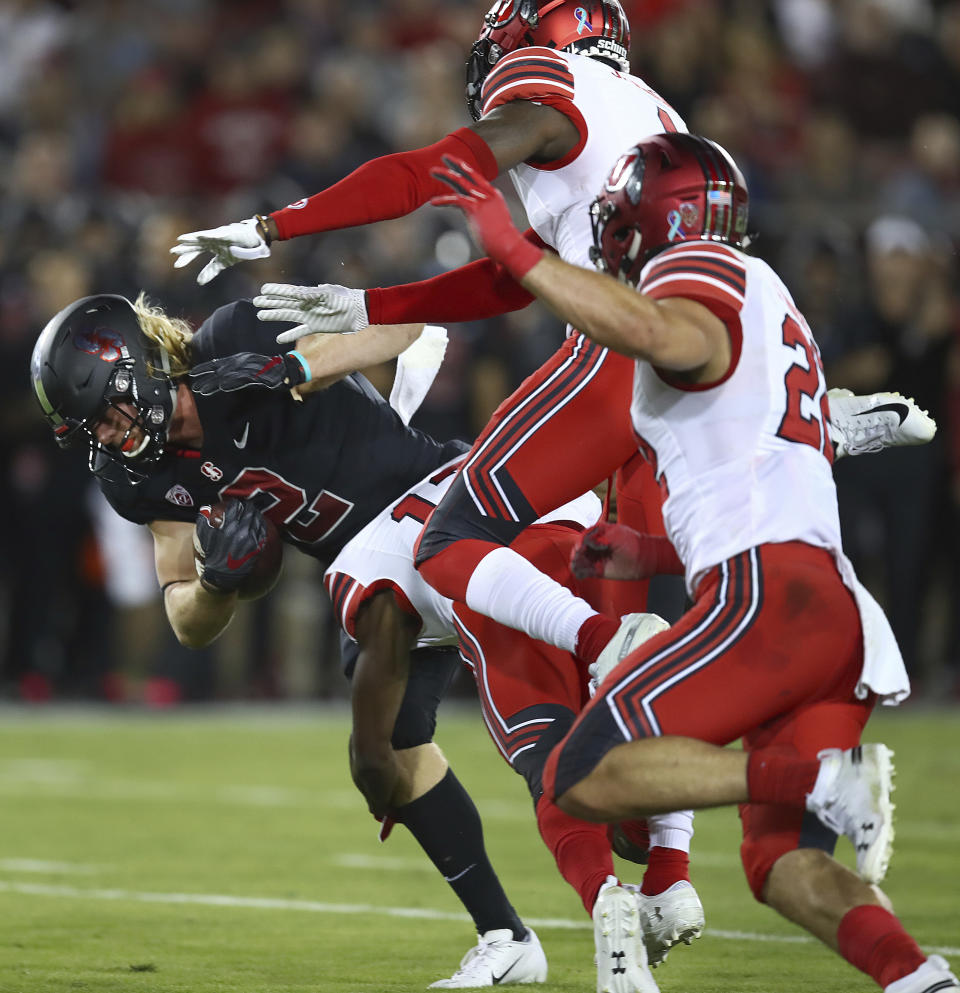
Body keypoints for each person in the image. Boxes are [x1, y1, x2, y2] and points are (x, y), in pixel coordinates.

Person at [425, 132, 958, 993]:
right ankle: (919, 978)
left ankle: (820, 777)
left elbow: (669, 333)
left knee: (579, 775)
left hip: (766, 597)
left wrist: (514, 247)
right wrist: (641, 547)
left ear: (656, 216)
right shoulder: (770, 301)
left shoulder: (699, 268)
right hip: (833, 611)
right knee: (778, 862)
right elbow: (746, 463)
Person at [28, 293, 547, 987]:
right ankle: (507, 935)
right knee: (379, 757)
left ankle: (650, 837)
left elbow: (408, 323)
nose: (110, 438)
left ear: (136, 369)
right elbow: (184, 615)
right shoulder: (136, 474)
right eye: (91, 429)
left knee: (548, 691)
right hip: (368, 569)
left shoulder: (235, 335)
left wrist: (291, 367)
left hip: (438, 503)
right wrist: (217, 584)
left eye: (109, 414)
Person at [317, 446, 670, 992]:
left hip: (503, 581)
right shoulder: (468, 457)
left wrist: (380, 791)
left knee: (555, 765)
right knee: (631, 720)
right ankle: (673, 872)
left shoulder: (367, 587)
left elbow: (372, 754)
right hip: (595, 540)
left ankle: (604, 895)